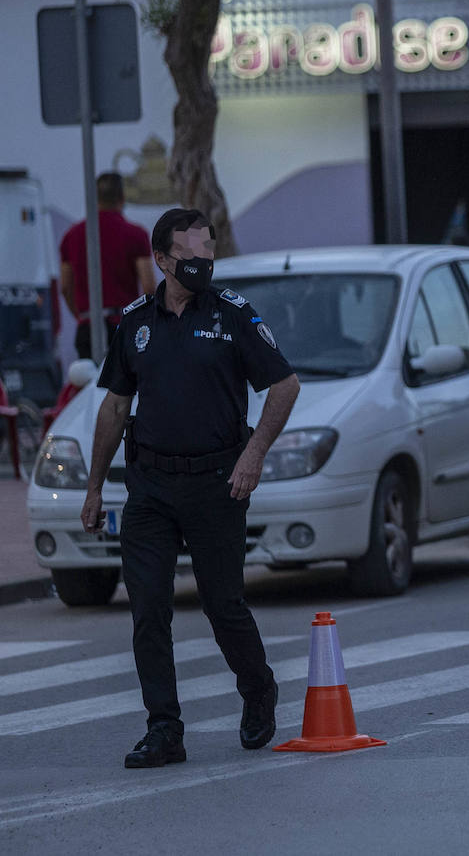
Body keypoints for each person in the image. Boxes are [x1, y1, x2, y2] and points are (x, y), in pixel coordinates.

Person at [80, 208, 300, 768]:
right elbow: (115, 406)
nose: (203, 262)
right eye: (191, 254)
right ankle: (164, 729)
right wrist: (95, 487)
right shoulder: (135, 322)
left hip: (216, 483)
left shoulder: (232, 314)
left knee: (222, 605)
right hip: (150, 487)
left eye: (209, 253)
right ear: (161, 259)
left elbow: (284, 385)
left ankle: (258, 689)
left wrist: (253, 455)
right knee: (148, 608)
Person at [59, 173, 157, 359]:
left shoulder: (72, 236)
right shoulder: (135, 234)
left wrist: (81, 316)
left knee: (89, 377)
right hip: (123, 324)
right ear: (122, 198)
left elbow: (65, 287)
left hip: (87, 326)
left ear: (94, 198)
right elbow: (149, 287)